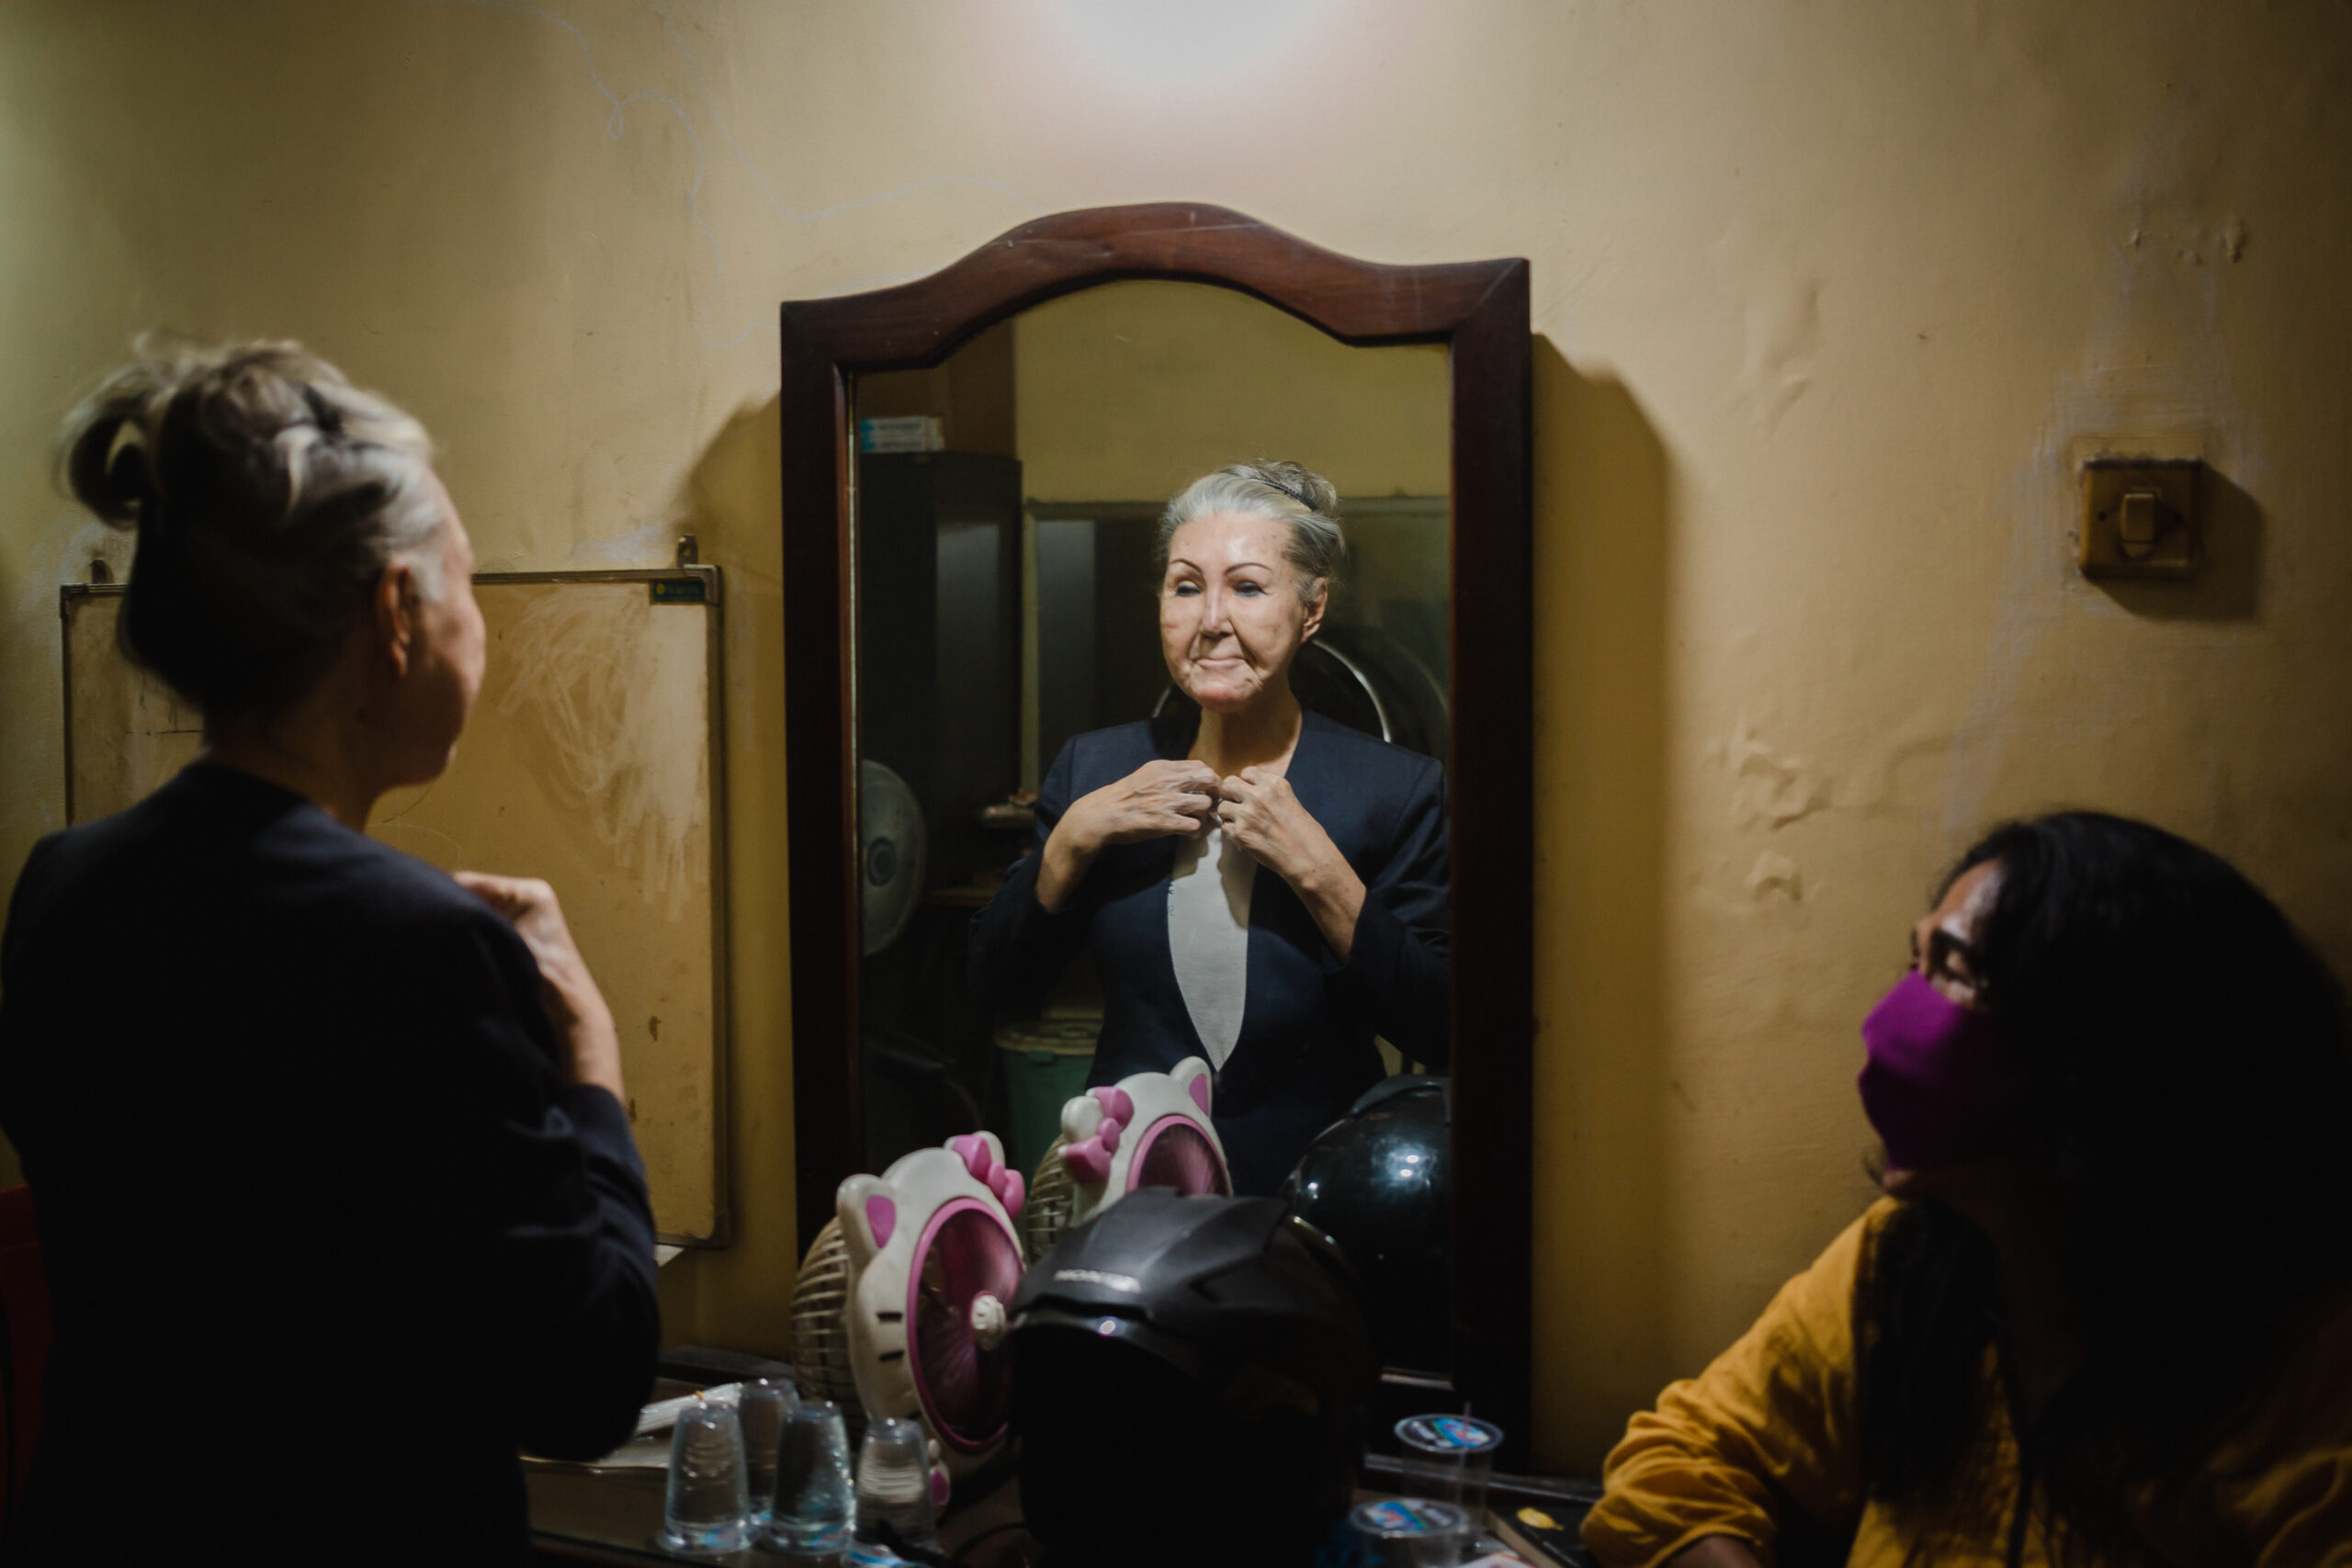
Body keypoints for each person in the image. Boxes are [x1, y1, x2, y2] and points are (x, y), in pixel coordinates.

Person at [0, 343, 659, 1564]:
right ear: (395, 615)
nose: (480, 625)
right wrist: (590, 1059)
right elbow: (586, 1379)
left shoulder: (61, 889)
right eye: (468, 583)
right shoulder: (424, 947)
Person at [1582, 812, 2352, 1568]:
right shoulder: (1902, 1261)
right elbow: (1675, 1459)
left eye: (1952, 968)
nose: (1893, 1019)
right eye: (1913, 963)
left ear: (2098, 1036)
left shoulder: (2302, 1371)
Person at [969, 462, 1448, 1195]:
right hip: (1128, 1189)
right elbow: (994, 987)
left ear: (1312, 608)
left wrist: (1322, 875)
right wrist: (1071, 840)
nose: (1212, 619)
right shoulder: (1097, 768)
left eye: (1248, 587)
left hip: (1316, 1192)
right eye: (1186, 586)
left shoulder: (1391, 788)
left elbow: (1440, 1026)